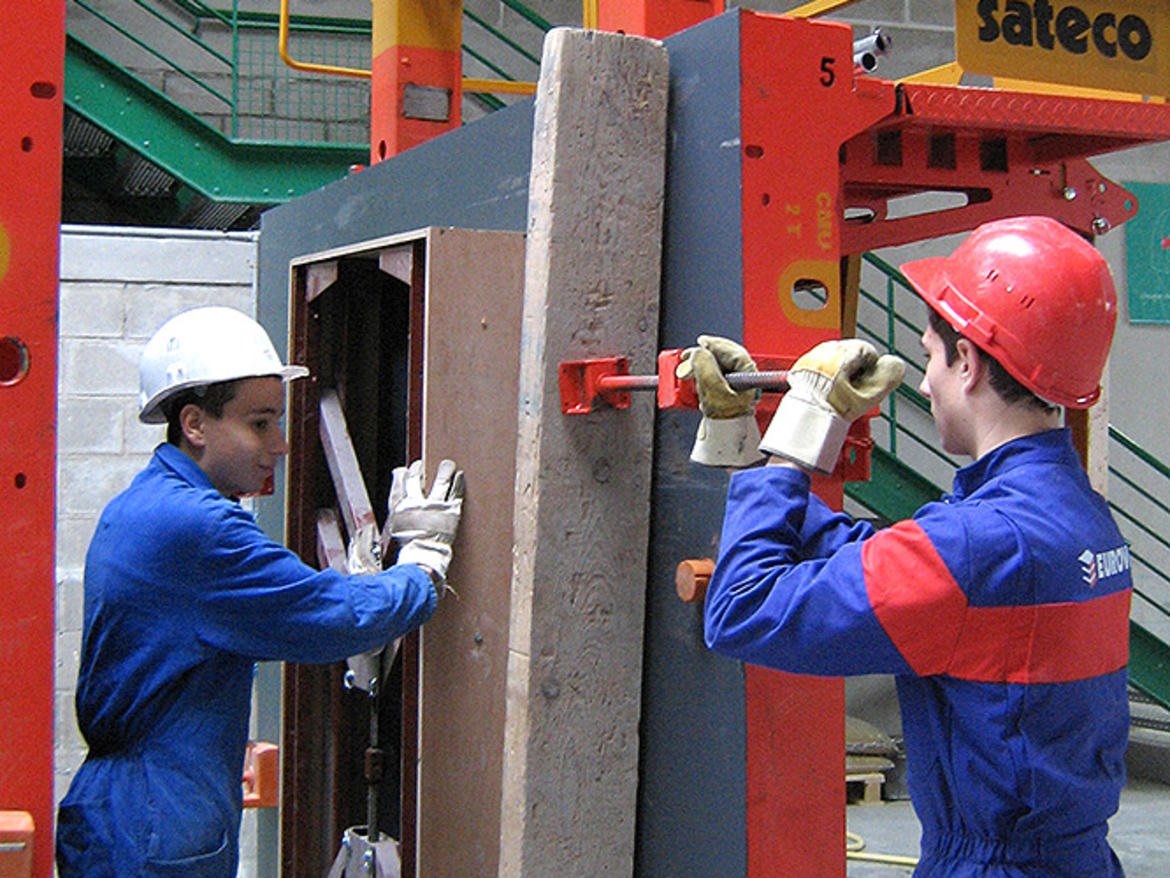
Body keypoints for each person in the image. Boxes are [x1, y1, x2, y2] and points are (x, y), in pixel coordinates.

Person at [686, 216, 1133, 877]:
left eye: (930, 356)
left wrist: (801, 432)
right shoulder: (1083, 519)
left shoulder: (975, 545)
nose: (924, 383)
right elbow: (887, 563)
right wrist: (745, 451)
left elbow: (742, 609)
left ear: (970, 362)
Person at [56, 306, 462, 878]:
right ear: (194, 424)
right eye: (259, 423)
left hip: (127, 810)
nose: (281, 443)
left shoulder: (143, 504)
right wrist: (421, 569)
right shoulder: (198, 529)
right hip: (156, 821)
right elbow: (330, 617)